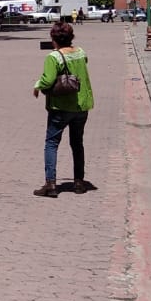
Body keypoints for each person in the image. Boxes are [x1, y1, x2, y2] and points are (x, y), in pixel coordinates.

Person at [31, 20, 95, 198]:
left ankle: (50, 184)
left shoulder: (54, 57)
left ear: (54, 38)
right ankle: (79, 182)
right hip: (81, 104)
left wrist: (37, 86)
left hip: (60, 107)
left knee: (51, 143)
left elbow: (48, 80)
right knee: (77, 143)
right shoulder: (81, 52)